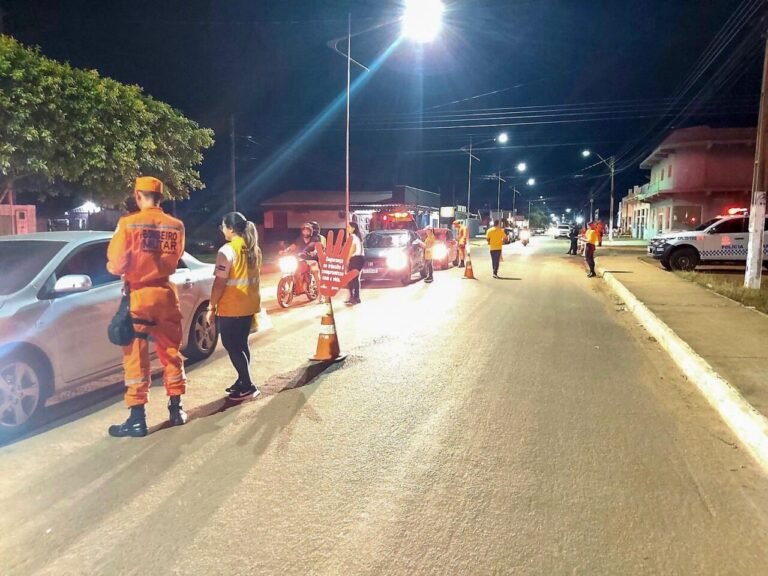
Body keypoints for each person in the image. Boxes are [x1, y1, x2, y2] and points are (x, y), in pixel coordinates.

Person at [106, 176, 187, 438]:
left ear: (138, 196)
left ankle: (138, 419)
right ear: (161, 198)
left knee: (136, 358)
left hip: (140, 296)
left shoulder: (128, 224)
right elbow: (176, 257)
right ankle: (177, 410)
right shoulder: (176, 226)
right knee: (171, 351)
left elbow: (116, 265)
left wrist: (119, 269)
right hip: (166, 295)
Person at [207, 212, 262, 400]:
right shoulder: (253, 248)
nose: (222, 229)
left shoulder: (227, 250)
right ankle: (242, 378)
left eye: (223, 226)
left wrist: (211, 307)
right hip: (249, 304)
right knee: (241, 343)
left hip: (232, 306)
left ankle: (247, 384)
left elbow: (219, 283)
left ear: (230, 228)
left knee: (232, 345)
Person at [345, 221, 364, 305]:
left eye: (349, 227)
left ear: (353, 228)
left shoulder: (352, 237)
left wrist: (347, 260)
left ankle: (353, 297)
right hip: (360, 259)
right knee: (355, 279)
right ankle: (356, 297)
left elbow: (352, 249)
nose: (347, 228)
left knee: (350, 279)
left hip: (355, 259)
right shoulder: (357, 237)